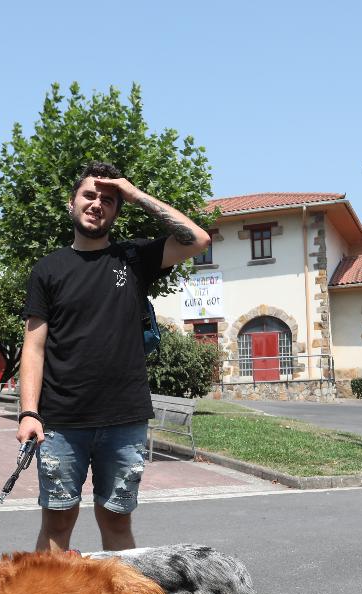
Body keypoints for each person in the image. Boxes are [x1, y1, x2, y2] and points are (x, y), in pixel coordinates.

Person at [16, 161, 211, 552]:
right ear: (71, 204)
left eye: (108, 199)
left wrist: (134, 193)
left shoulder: (133, 259)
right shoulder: (48, 269)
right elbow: (33, 347)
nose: (97, 204)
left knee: (117, 521)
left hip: (124, 419)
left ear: (116, 211)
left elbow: (197, 239)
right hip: (61, 421)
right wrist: (28, 412)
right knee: (57, 522)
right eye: (89, 195)